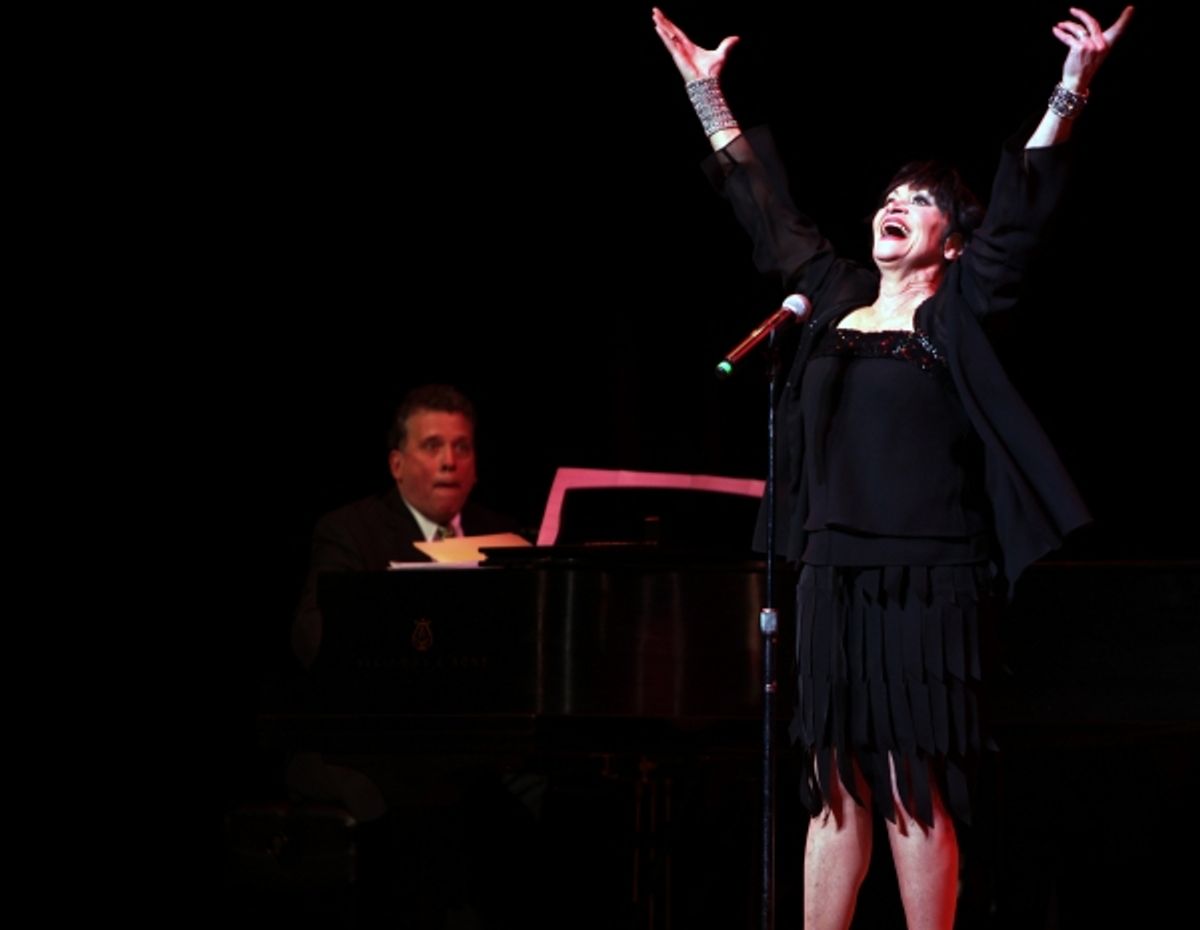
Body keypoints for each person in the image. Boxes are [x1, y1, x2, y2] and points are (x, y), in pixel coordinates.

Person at [652, 6, 1133, 929]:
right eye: (891, 195)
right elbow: (760, 203)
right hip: (830, 571)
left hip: (929, 575)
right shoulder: (828, 294)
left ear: (953, 241)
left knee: (912, 779)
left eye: (921, 200)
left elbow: (1021, 213)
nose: (896, 205)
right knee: (834, 780)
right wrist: (706, 93)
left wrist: (1071, 89)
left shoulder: (957, 312)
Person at [292, 382, 520, 669]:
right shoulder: (351, 532)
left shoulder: (505, 535)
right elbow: (312, 636)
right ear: (396, 465)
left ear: (475, 467)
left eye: (462, 447)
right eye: (432, 446)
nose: (449, 462)